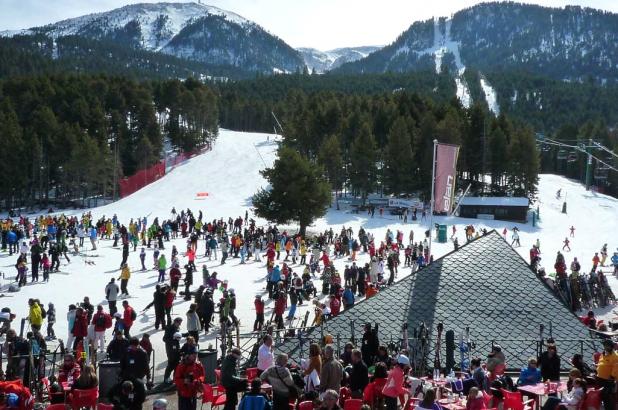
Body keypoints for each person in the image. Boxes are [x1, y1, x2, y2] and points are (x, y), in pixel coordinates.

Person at [174, 346, 205, 410]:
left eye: (196, 355)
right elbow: (176, 380)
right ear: (188, 355)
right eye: (193, 355)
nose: (195, 357)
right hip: (184, 394)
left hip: (193, 393)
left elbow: (202, 375)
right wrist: (184, 381)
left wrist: (199, 380)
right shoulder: (181, 366)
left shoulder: (198, 364)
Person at [595, 339, 618, 410]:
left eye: (607, 346)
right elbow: (601, 363)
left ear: (611, 346)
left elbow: (616, 367)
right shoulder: (603, 354)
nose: (605, 347)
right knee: (601, 396)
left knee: (607, 397)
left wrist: (612, 377)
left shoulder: (615, 356)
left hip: (608, 380)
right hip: (600, 378)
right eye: (605, 345)